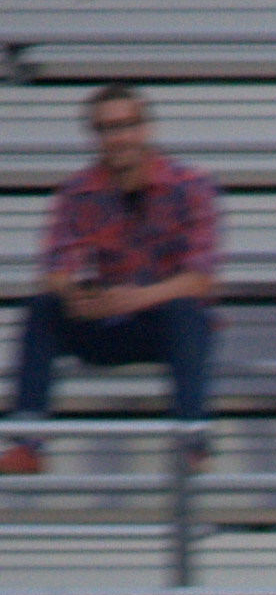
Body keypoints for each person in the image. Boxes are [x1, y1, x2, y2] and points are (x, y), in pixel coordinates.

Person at [4, 87, 218, 476]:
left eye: (126, 126)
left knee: (188, 314)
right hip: (107, 319)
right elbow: (56, 267)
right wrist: (76, 296)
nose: (117, 138)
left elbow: (200, 280)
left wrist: (137, 298)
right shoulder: (79, 191)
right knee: (43, 307)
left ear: (146, 129)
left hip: (162, 323)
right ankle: (28, 443)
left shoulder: (189, 185)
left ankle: (193, 440)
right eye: (106, 129)